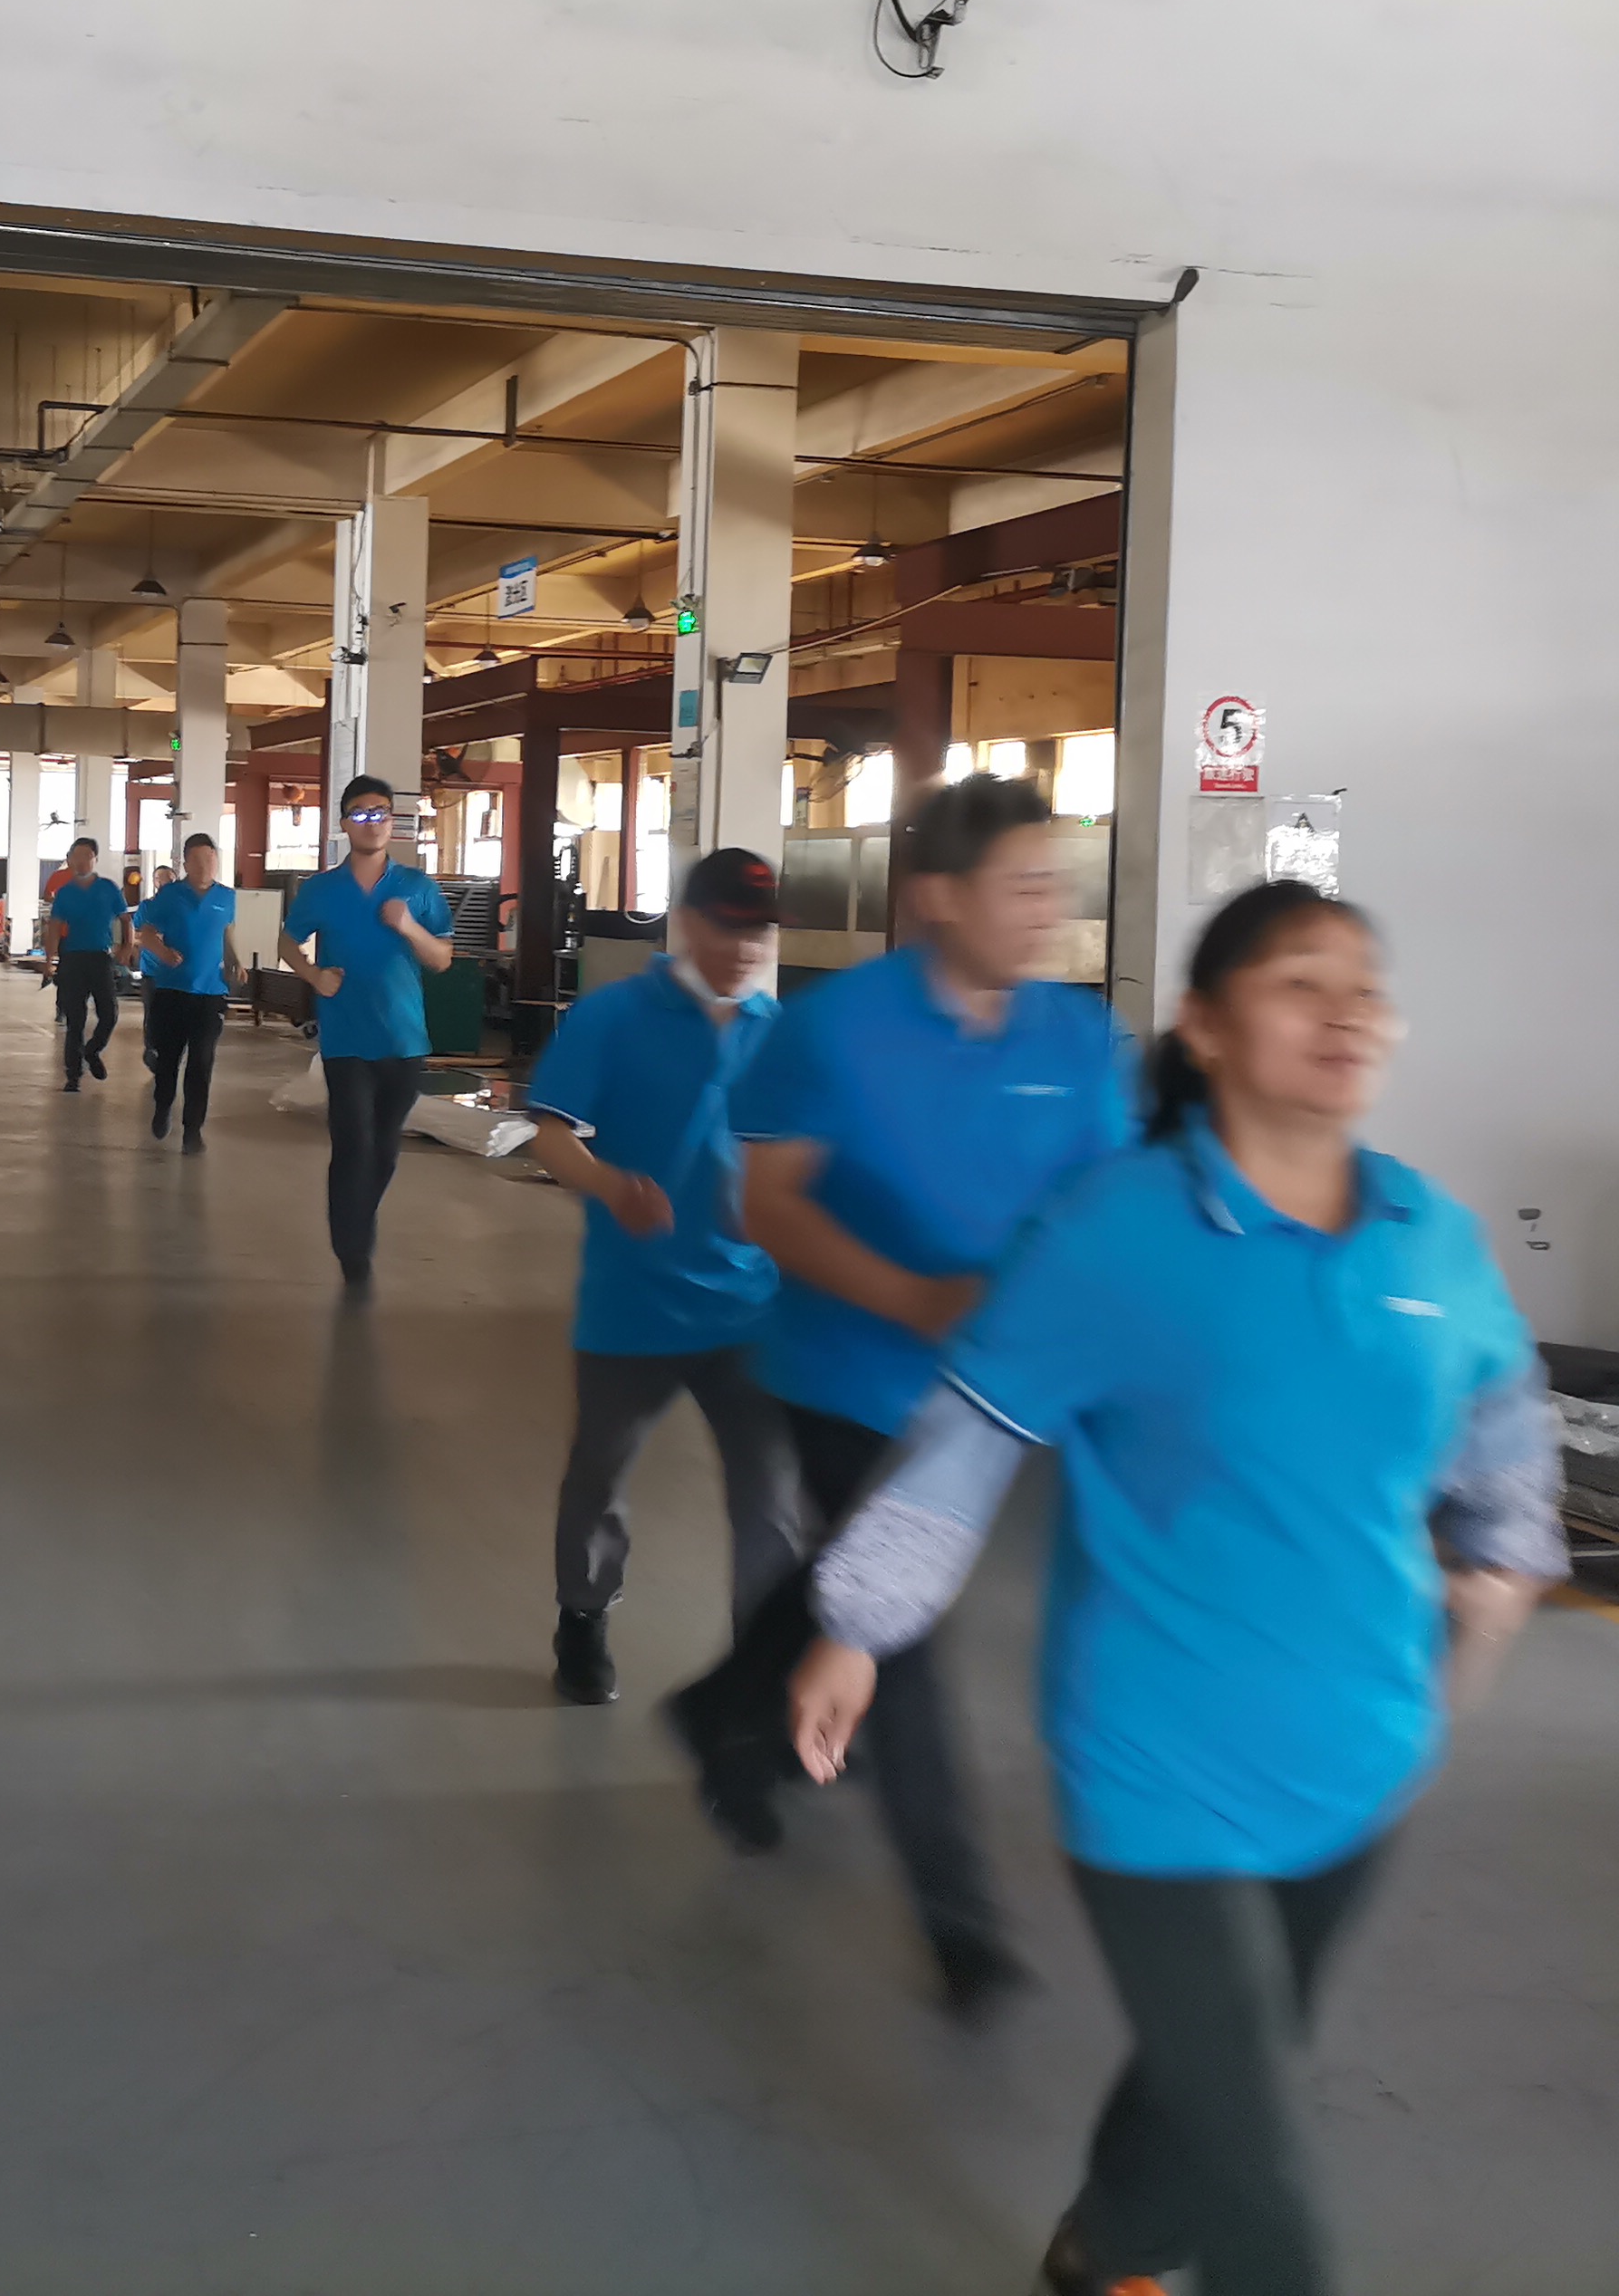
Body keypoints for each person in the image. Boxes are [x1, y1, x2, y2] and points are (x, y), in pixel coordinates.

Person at [786, 882, 1564, 2296]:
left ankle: (1108, 2245)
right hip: (1158, 1757)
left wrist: (1508, 1558)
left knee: (1232, 2061)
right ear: (1204, 1027)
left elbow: (1502, 1410)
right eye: (1300, 982)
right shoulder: (1117, 1231)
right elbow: (971, 1437)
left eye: (1366, 987)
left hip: (1368, 1743)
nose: (1347, 1012)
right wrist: (859, 1626)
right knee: (1267, 2191)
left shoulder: (1429, 1235)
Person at [663, 773, 1130, 2019]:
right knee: (899, 1619)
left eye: (1054, 886)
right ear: (938, 897)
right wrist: (909, 1296)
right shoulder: (834, 1030)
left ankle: (718, 1710)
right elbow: (764, 1205)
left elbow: (1109, 1205)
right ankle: (961, 1925)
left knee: (838, 1582)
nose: (1047, 909)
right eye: (1021, 886)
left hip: (995, 1389)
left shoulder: (1075, 1037)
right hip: (848, 1374)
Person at [530, 849, 804, 1706]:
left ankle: (763, 1664)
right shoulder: (613, 1017)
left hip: (752, 1308)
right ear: (687, 924)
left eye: (761, 930)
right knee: (600, 1475)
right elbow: (550, 1135)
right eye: (730, 926)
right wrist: (611, 1186)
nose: (747, 946)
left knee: (771, 1498)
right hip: (634, 1303)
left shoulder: (781, 1034)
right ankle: (583, 1614)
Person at [279, 774, 455, 1287]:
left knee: (383, 1149)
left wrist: (408, 926)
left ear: (392, 822)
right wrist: (313, 975)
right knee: (352, 1142)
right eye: (360, 813)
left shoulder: (417, 888)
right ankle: (352, 1249)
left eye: (380, 813)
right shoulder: (321, 889)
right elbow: (288, 941)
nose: (372, 822)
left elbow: (442, 958)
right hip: (345, 1039)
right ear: (344, 824)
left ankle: (359, 1218)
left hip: (403, 1038)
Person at [133, 831, 244, 1151]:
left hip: (211, 992)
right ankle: (163, 1106)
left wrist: (235, 961)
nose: (205, 865)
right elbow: (146, 934)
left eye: (210, 858)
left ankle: (193, 1130)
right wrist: (163, 952)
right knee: (168, 1059)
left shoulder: (227, 897)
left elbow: (227, 932)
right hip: (172, 991)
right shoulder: (170, 895)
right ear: (185, 863)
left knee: (202, 1061)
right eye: (198, 859)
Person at [43, 836, 131, 1090]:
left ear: (95, 859)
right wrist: (49, 960)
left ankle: (92, 1050)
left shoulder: (108, 888)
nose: (82, 861)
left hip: (100, 958)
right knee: (75, 1019)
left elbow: (126, 919)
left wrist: (127, 947)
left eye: (87, 856)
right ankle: (73, 1075)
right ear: (70, 860)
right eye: (77, 856)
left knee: (109, 1013)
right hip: (73, 959)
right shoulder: (66, 893)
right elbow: (55, 927)